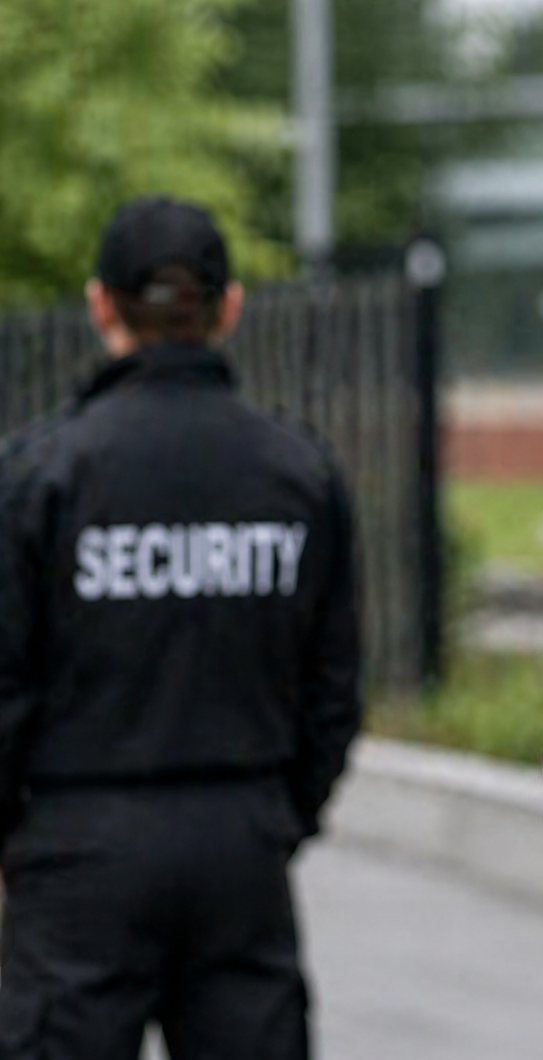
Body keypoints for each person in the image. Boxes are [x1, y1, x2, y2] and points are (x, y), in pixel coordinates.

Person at [0, 197, 361, 1059]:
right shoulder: (299, 471)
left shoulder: (41, 475)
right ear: (228, 307)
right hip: (242, 841)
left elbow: (5, 687)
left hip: (75, 846)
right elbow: (334, 686)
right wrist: (281, 814)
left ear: (99, 305)